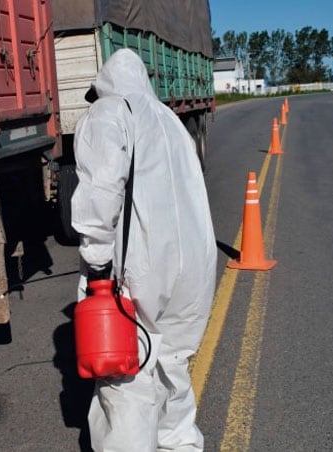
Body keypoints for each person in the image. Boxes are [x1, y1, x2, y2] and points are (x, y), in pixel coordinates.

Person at [71, 48, 217, 451]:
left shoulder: (108, 114)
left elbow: (100, 193)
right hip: (194, 267)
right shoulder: (171, 121)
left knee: (126, 378)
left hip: (142, 265)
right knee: (173, 365)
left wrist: (98, 266)